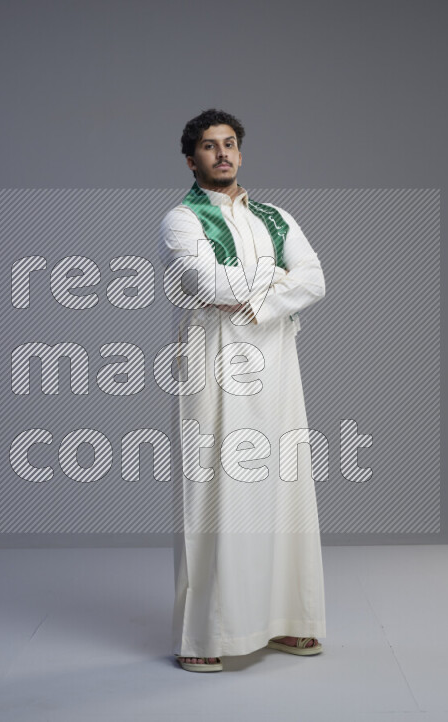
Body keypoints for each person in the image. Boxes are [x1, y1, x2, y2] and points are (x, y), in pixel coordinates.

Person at [159, 109, 327, 672]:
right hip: (214, 360)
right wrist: (277, 280)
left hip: (277, 359)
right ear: (192, 159)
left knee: (284, 482)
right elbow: (200, 281)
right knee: (215, 490)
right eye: (210, 146)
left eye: (230, 144)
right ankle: (209, 634)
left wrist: (259, 296)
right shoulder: (182, 219)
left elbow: (315, 278)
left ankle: (289, 621)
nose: (223, 154)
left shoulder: (277, 218)